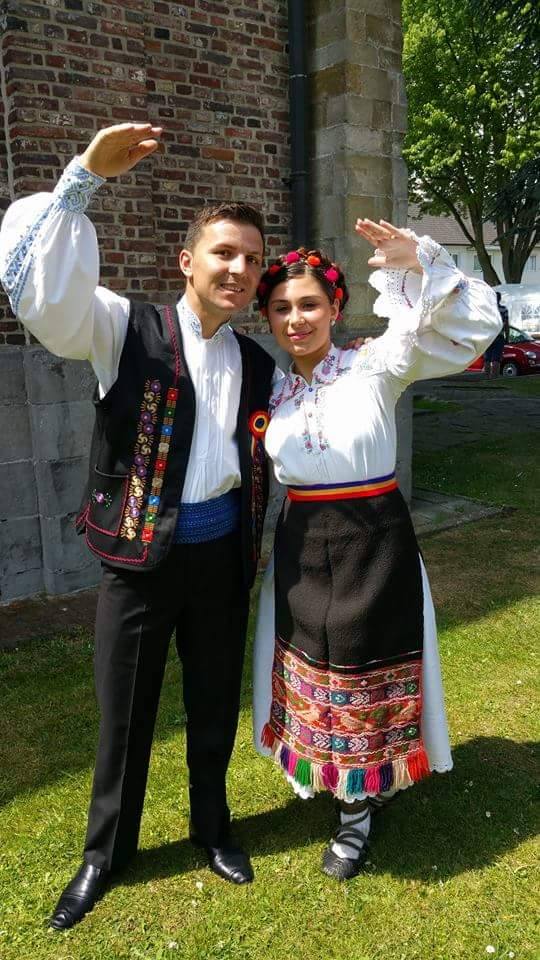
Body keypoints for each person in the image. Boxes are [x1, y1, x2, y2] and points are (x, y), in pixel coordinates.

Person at [0, 123, 278, 927]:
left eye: (252, 259)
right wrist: (83, 178)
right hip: (138, 559)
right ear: (187, 261)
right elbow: (49, 303)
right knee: (125, 716)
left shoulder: (259, 364)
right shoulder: (123, 329)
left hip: (223, 556)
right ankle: (104, 855)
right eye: (224, 253)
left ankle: (212, 829)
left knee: (214, 703)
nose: (239, 269)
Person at [252, 220, 501, 880]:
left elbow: (473, 332)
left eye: (310, 304)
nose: (296, 319)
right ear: (268, 318)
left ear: (335, 308)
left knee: (366, 667)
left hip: (375, 541)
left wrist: (422, 262)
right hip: (302, 546)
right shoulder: (271, 390)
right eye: (281, 308)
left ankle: (359, 807)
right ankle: (341, 783)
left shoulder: (375, 363)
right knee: (314, 671)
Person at [483, 292, 509, 378]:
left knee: (487, 358)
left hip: (488, 336)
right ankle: (494, 377)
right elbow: (506, 325)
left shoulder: (487, 309)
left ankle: (487, 377)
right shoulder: (504, 309)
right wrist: (507, 337)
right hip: (499, 336)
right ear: (500, 299)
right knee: (496, 359)